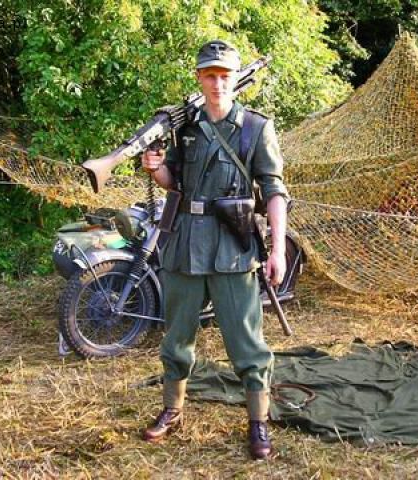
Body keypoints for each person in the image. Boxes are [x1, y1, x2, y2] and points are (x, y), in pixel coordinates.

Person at [140, 40, 289, 460]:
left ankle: (258, 421)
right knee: (176, 337)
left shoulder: (255, 128)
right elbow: (175, 184)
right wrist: (157, 169)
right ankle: (172, 409)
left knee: (246, 342)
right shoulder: (185, 127)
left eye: (225, 76)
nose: (218, 83)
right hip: (185, 244)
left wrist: (277, 249)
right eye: (210, 75)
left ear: (235, 79)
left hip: (232, 249)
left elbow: (275, 191)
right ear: (199, 78)